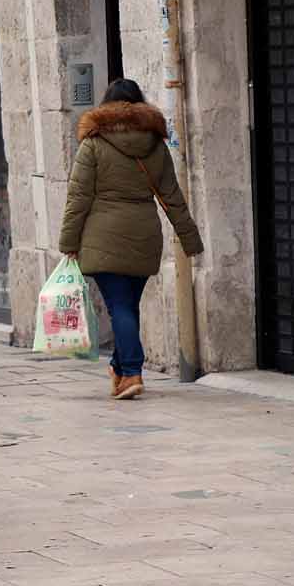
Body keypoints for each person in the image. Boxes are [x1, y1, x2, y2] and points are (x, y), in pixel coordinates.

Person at [58, 80, 203, 400]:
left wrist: (68, 242)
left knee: (120, 306)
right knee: (127, 306)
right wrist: (190, 239)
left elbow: (78, 198)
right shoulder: (155, 144)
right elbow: (172, 197)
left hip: (103, 236)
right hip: (144, 234)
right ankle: (120, 368)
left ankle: (133, 372)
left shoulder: (93, 143)